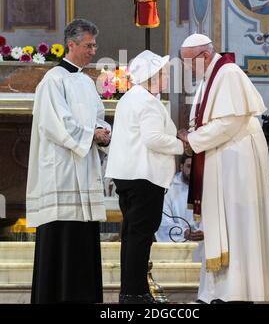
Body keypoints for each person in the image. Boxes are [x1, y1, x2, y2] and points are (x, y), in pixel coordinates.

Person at [177, 33, 269, 304]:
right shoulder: (208, 78)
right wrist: (192, 137)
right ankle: (214, 290)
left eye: (189, 62)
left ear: (204, 55)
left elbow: (230, 122)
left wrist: (194, 140)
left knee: (236, 222)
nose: (187, 67)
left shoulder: (229, 74)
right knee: (218, 222)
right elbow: (199, 120)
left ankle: (237, 290)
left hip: (236, 161)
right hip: (218, 157)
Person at [26, 18, 111, 304]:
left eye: (95, 45)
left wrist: (104, 131)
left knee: (83, 240)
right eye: (88, 45)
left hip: (83, 171)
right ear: (71, 45)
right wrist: (92, 135)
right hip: (61, 174)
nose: (93, 50)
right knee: (62, 241)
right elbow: (57, 125)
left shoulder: (86, 82)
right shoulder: (53, 80)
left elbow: (99, 116)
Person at [105, 50, 184, 304]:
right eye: (163, 73)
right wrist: (183, 145)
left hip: (128, 176)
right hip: (144, 177)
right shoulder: (147, 102)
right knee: (139, 237)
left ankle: (130, 291)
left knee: (131, 236)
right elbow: (152, 139)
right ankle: (136, 294)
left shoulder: (130, 97)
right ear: (152, 76)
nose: (167, 77)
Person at [155, 154, 203, 243]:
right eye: (189, 166)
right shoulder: (169, 188)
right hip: (176, 240)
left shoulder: (206, 187)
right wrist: (183, 231)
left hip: (201, 241)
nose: (192, 171)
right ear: (181, 166)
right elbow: (164, 220)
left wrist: (202, 230)